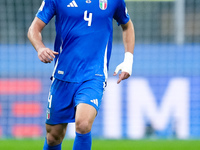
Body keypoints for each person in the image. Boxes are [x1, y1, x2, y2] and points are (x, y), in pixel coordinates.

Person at [28, 0, 135, 149]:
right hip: (63, 76)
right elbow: (34, 29)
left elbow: (127, 25)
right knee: (53, 136)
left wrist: (128, 60)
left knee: (83, 124)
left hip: (94, 75)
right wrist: (40, 48)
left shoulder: (113, 1)